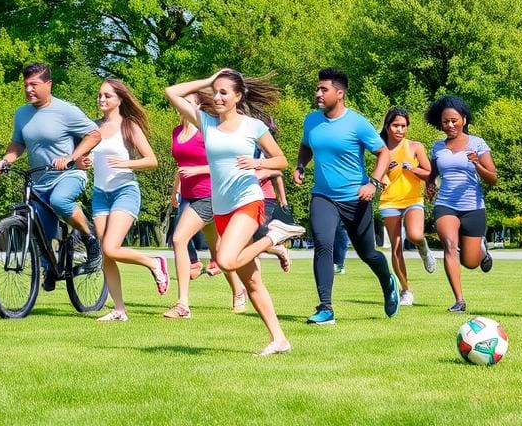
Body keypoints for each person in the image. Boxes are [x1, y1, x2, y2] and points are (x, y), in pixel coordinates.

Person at [165, 69, 304, 356]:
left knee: (226, 261)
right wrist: (208, 80)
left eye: (223, 92)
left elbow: (280, 160)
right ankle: (279, 339)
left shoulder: (252, 126)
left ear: (238, 96)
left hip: (248, 201)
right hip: (221, 209)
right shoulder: (205, 122)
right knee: (252, 282)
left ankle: (273, 238)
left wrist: (258, 165)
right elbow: (171, 92)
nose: (217, 97)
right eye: (214, 92)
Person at [294, 68, 398, 325]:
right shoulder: (311, 120)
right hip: (323, 196)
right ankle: (325, 307)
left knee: (368, 254)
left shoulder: (357, 123)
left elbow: (384, 154)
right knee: (323, 245)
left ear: (339, 94)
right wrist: (300, 166)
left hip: (356, 198)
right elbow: (306, 145)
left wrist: (373, 183)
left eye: (323, 89)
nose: (318, 93)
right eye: (317, 88)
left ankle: (388, 281)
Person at [0, 63, 102, 288]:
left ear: (48, 84)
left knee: (60, 200)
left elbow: (94, 134)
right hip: (38, 181)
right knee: (40, 230)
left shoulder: (66, 110)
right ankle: (49, 266)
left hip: (68, 176)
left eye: (34, 84)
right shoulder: (22, 113)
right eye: (26, 85)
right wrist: (4, 161)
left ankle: (90, 237)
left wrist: (71, 157)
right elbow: (17, 144)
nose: (29, 89)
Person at [79, 79, 166, 322]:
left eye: (107, 95)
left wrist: (126, 163)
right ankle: (119, 310)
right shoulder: (93, 129)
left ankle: (154, 262)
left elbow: (152, 160)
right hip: (100, 194)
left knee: (110, 247)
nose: (102, 99)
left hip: (125, 190)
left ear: (119, 99)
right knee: (107, 255)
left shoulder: (129, 126)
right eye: (99, 95)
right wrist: (82, 163)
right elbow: (82, 160)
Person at [165, 92, 247, 319]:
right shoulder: (176, 132)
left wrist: (198, 170)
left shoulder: (207, 132)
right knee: (219, 253)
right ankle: (239, 289)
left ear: (199, 106)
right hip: (188, 196)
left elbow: (225, 163)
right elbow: (180, 166)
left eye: (190, 103)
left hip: (209, 195)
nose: (184, 107)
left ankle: (183, 304)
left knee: (179, 239)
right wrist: (175, 191)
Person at [425, 95, 498, 313]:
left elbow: (493, 178)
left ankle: (482, 252)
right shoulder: (437, 147)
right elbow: (433, 173)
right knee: (449, 244)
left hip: (473, 206)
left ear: (464, 120)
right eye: (445, 121)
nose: (450, 125)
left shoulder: (477, 144)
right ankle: (459, 300)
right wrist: (429, 185)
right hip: (445, 204)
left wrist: (477, 163)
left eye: (454, 120)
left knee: (471, 262)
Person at [377, 107, 436, 307]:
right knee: (395, 248)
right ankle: (406, 290)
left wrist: (413, 168)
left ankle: (423, 248)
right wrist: (385, 170)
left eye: (403, 126)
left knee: (415, 234)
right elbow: (377, 177)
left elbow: (429, 173)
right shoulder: (381, 149)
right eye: (396, 125)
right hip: (389, 200)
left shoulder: (415, 147)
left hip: (413, 199)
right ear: (387, 126)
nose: (400, 129)